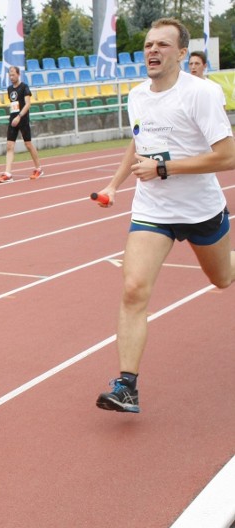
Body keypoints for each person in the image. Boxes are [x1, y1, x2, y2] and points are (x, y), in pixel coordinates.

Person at [94, 18, 235, 413]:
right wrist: (114, 185)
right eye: (148, 45)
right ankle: (126, 387)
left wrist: (166, 168)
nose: (152, 51)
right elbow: (139, 141)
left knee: (222, 278)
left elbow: (228, 156)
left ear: (180, 53)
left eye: (162, 45)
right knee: (134, 289)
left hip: (200, 208)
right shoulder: (137, 95)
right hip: (152, 210)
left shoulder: (201, 94)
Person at [0, 66, 43, 183]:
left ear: (18, 74)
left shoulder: (24, 87)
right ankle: (8, 173)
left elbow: (27, 104)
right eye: (10, 75)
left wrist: (19, 116)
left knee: (28, 144)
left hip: (23, 119)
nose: (11, 77)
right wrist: (14, 117)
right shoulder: (9, 89)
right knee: (9, 146)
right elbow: (14, 104)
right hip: (13, 119)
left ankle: (38, 169)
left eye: (13, 75)